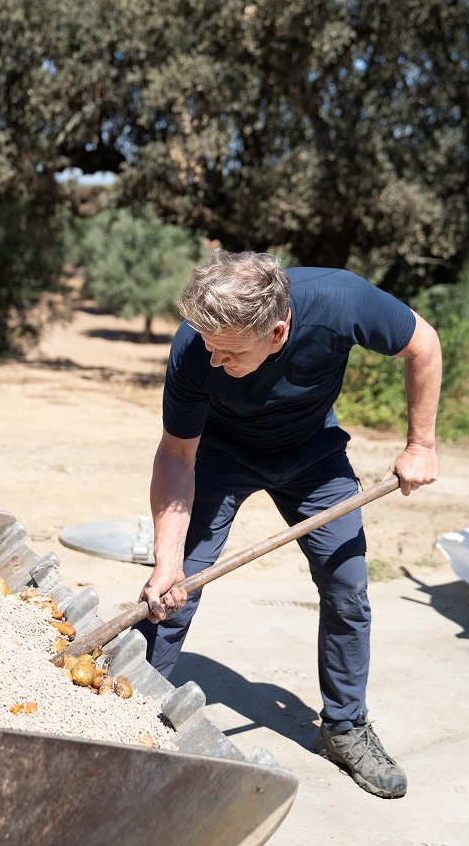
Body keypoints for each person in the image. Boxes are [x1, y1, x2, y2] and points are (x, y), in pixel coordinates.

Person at [135, 250, 441, 799]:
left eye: (229, 353)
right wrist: (165, 561)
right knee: (175, 588)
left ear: (277, 333)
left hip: (313, 453)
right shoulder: (194, 346)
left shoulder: (341, 300)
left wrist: (421, 444)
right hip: (220, 456)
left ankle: (345, 728)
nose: (212, 358)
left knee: (347, 588)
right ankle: (127, 712)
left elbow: (423, 342)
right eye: (208, 344)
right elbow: (177, 455)